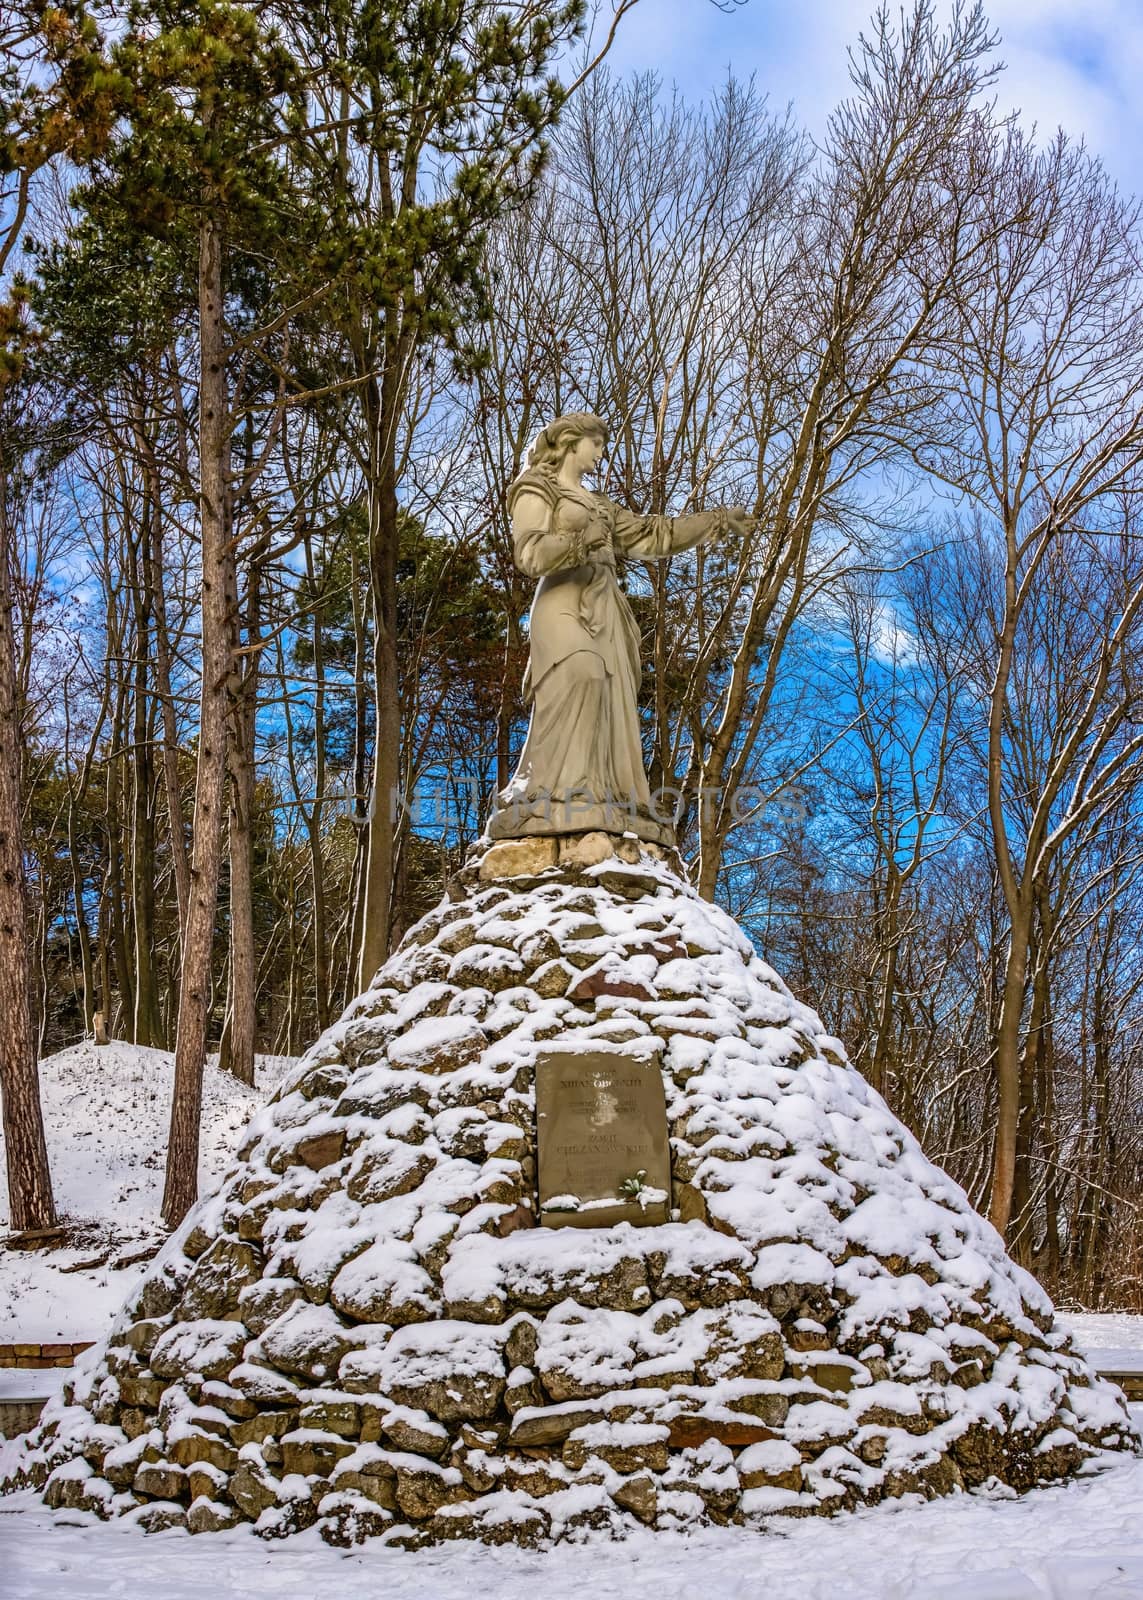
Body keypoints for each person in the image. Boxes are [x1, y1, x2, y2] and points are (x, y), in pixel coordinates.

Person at [487, 411, 750, 845]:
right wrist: (578, 543)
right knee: (580, 675)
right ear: (572, 442)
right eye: (597, 444)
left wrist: (715, 521)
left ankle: (597, 793)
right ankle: (550, 791)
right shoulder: (536, 487)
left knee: (612, 698)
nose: (600, 453)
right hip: (562, 602)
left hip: (605, 607)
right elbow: (529, 555)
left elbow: (655, 534)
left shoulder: (600, 506)